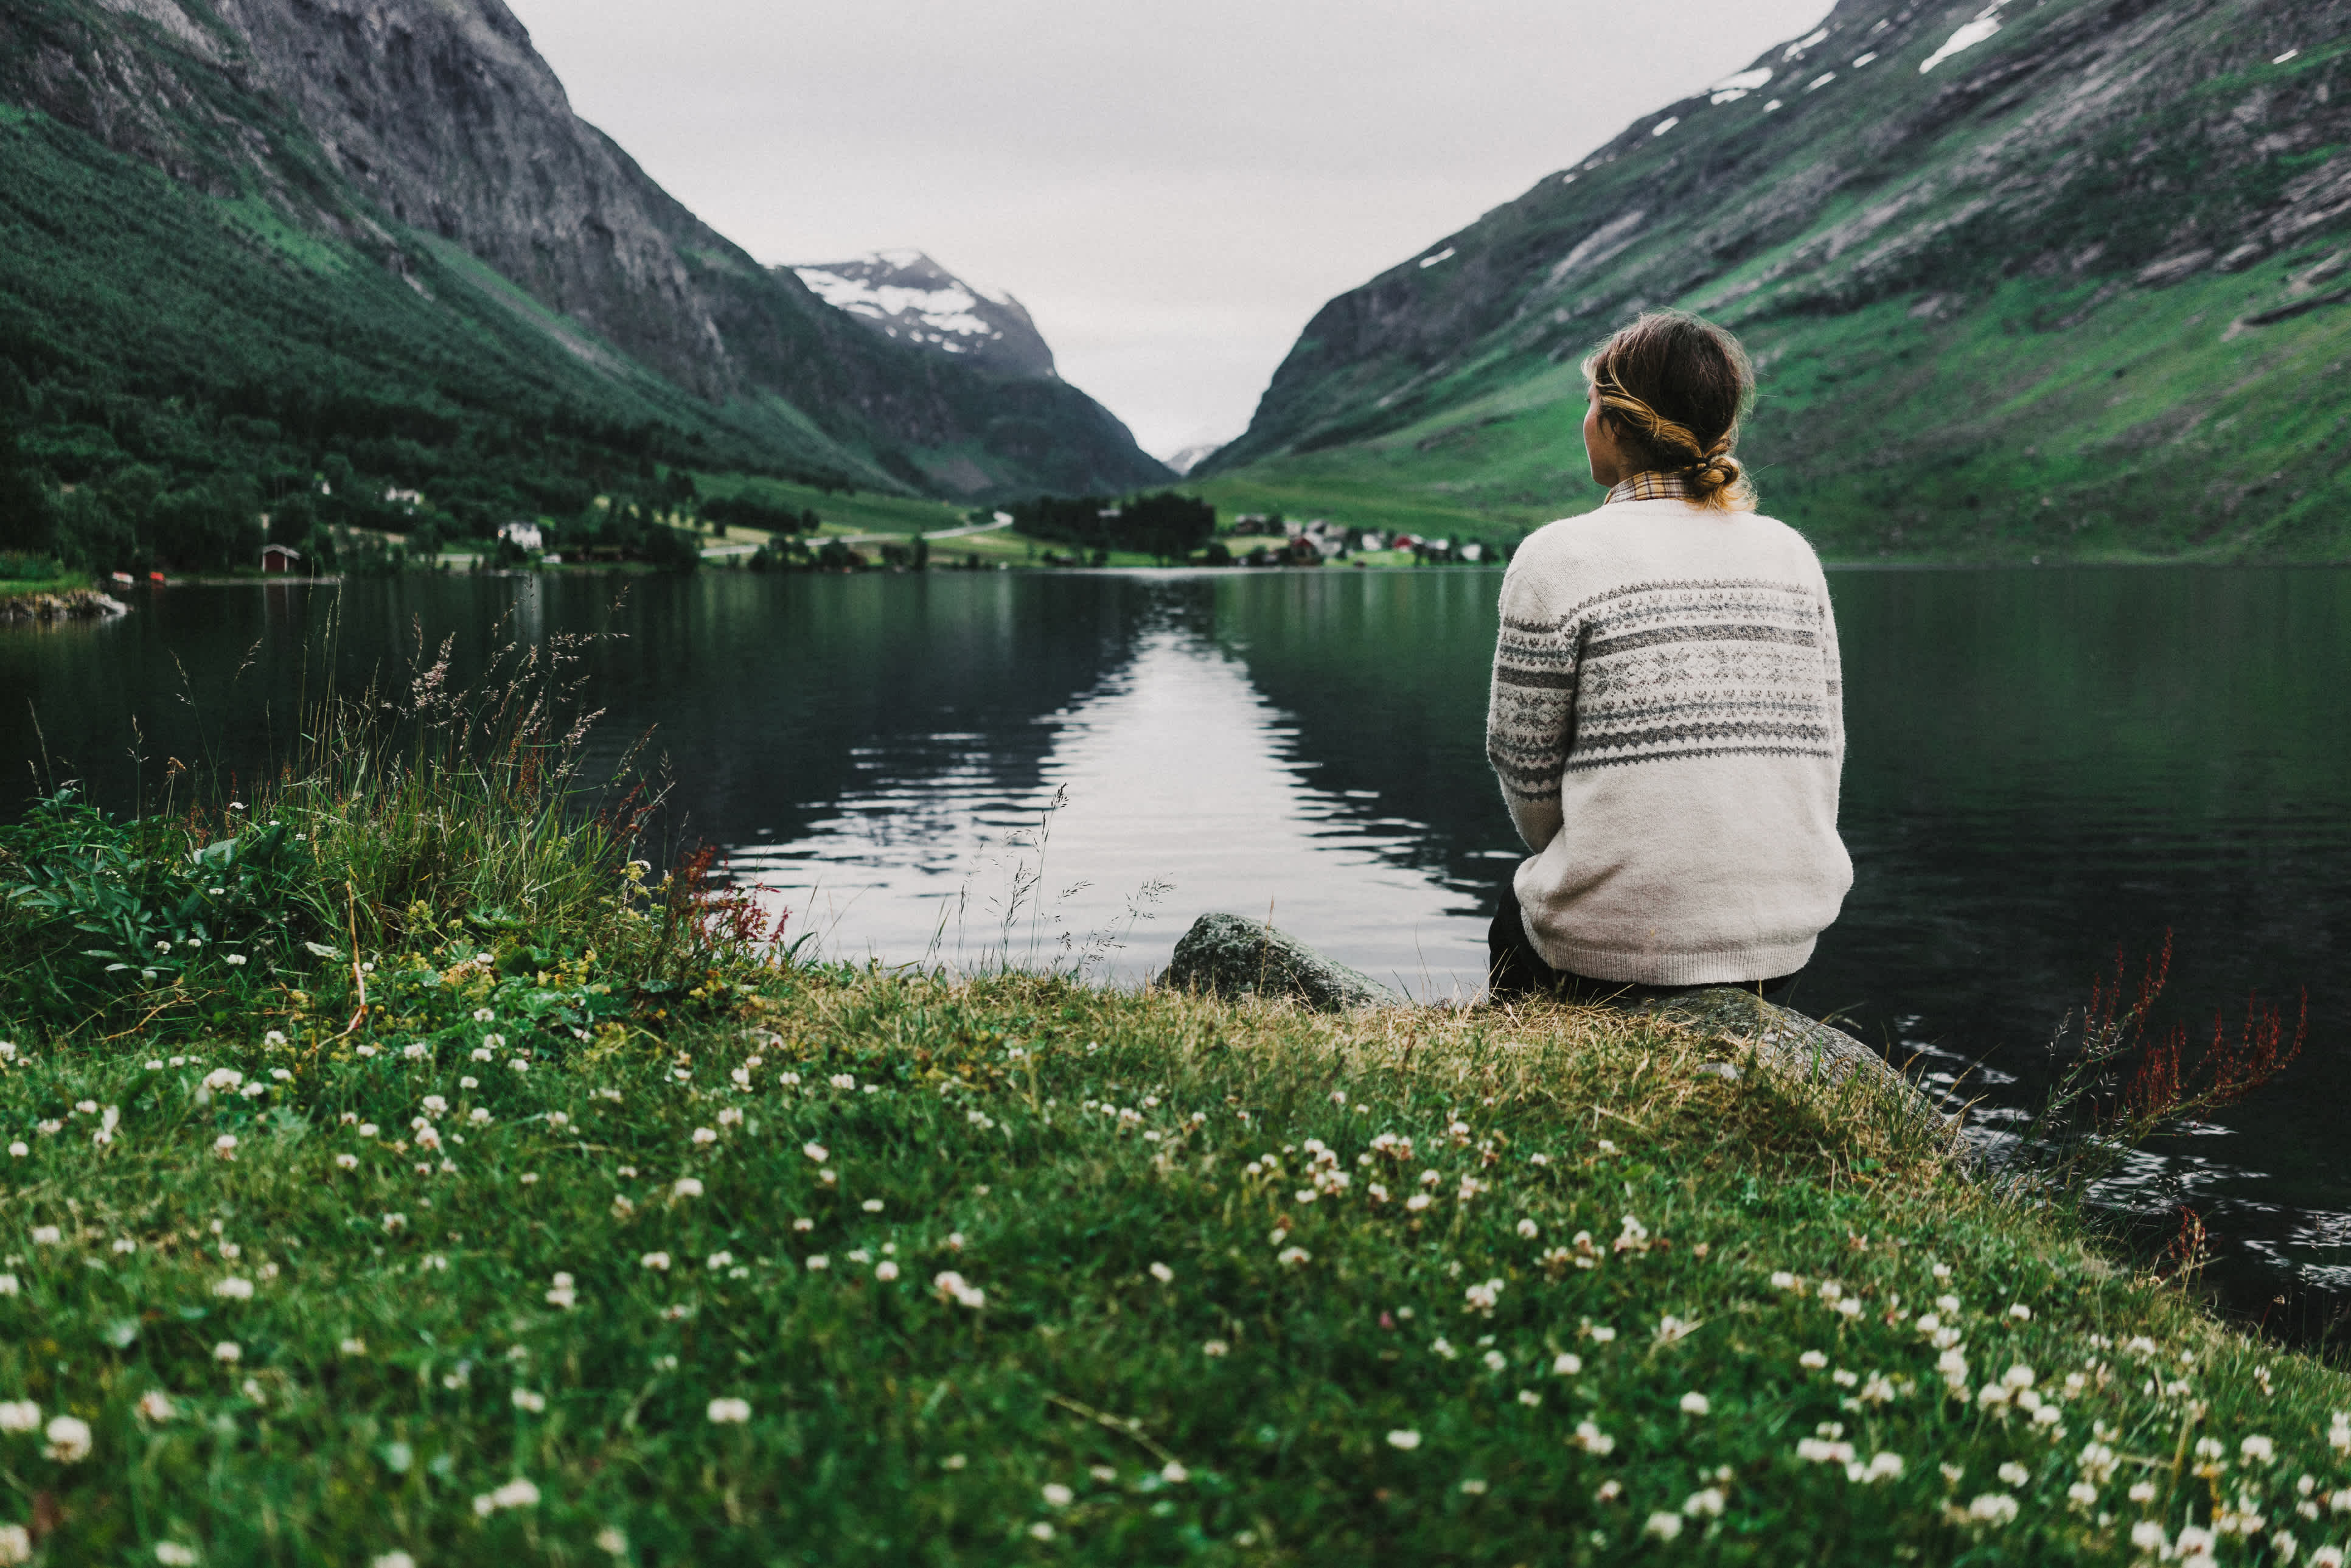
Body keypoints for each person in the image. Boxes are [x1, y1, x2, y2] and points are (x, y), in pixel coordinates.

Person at [1485, 309, 1850, 1005]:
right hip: (1781, 942)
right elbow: (1822, 754)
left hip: (1606, 946)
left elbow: (1529, 787)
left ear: (1618, 424)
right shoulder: (1791, 555)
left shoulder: (1558, 557)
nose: (1584, 421)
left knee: (1513, 919)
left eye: (1591, 402)